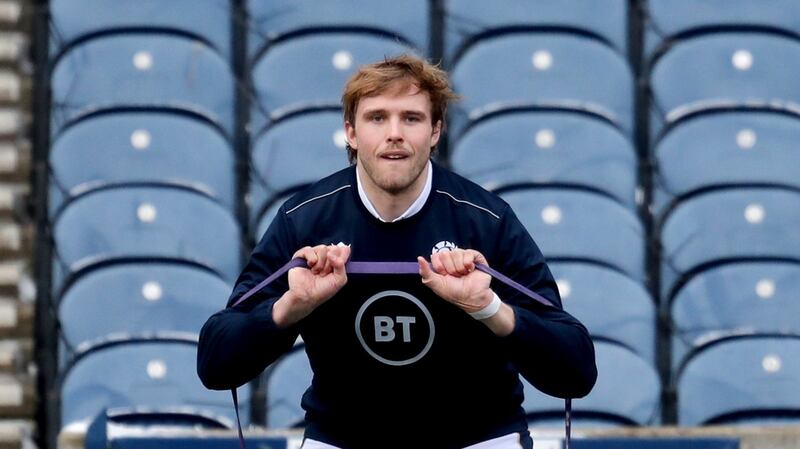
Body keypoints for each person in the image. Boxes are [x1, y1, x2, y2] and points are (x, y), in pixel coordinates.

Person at [197, 54, 597, 449]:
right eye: (377, 118)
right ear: (351, 133)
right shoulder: (303, 221)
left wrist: (488, 307)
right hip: (342, 436)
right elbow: (216, 363)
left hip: (479, 436)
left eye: (411, 118)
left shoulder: (487, 221)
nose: (394, 133)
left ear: (435, 132)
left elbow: (576, 371)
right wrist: (292, 306)